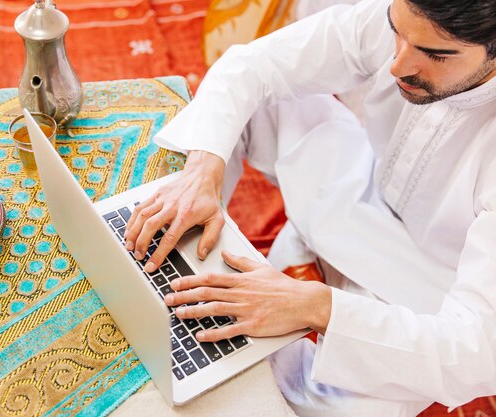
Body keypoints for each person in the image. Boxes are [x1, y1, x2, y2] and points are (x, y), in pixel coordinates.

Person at [123, 0, 496, 415]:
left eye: (436, 55)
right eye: (397, 32)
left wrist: (313, 306)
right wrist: (203, 170)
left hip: (426, 289)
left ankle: (238, 351)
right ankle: (186, 246)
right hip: (356, 194)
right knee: (242, 112)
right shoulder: (409, 20)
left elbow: (477, 346)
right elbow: (255, 65)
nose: (398, 65)